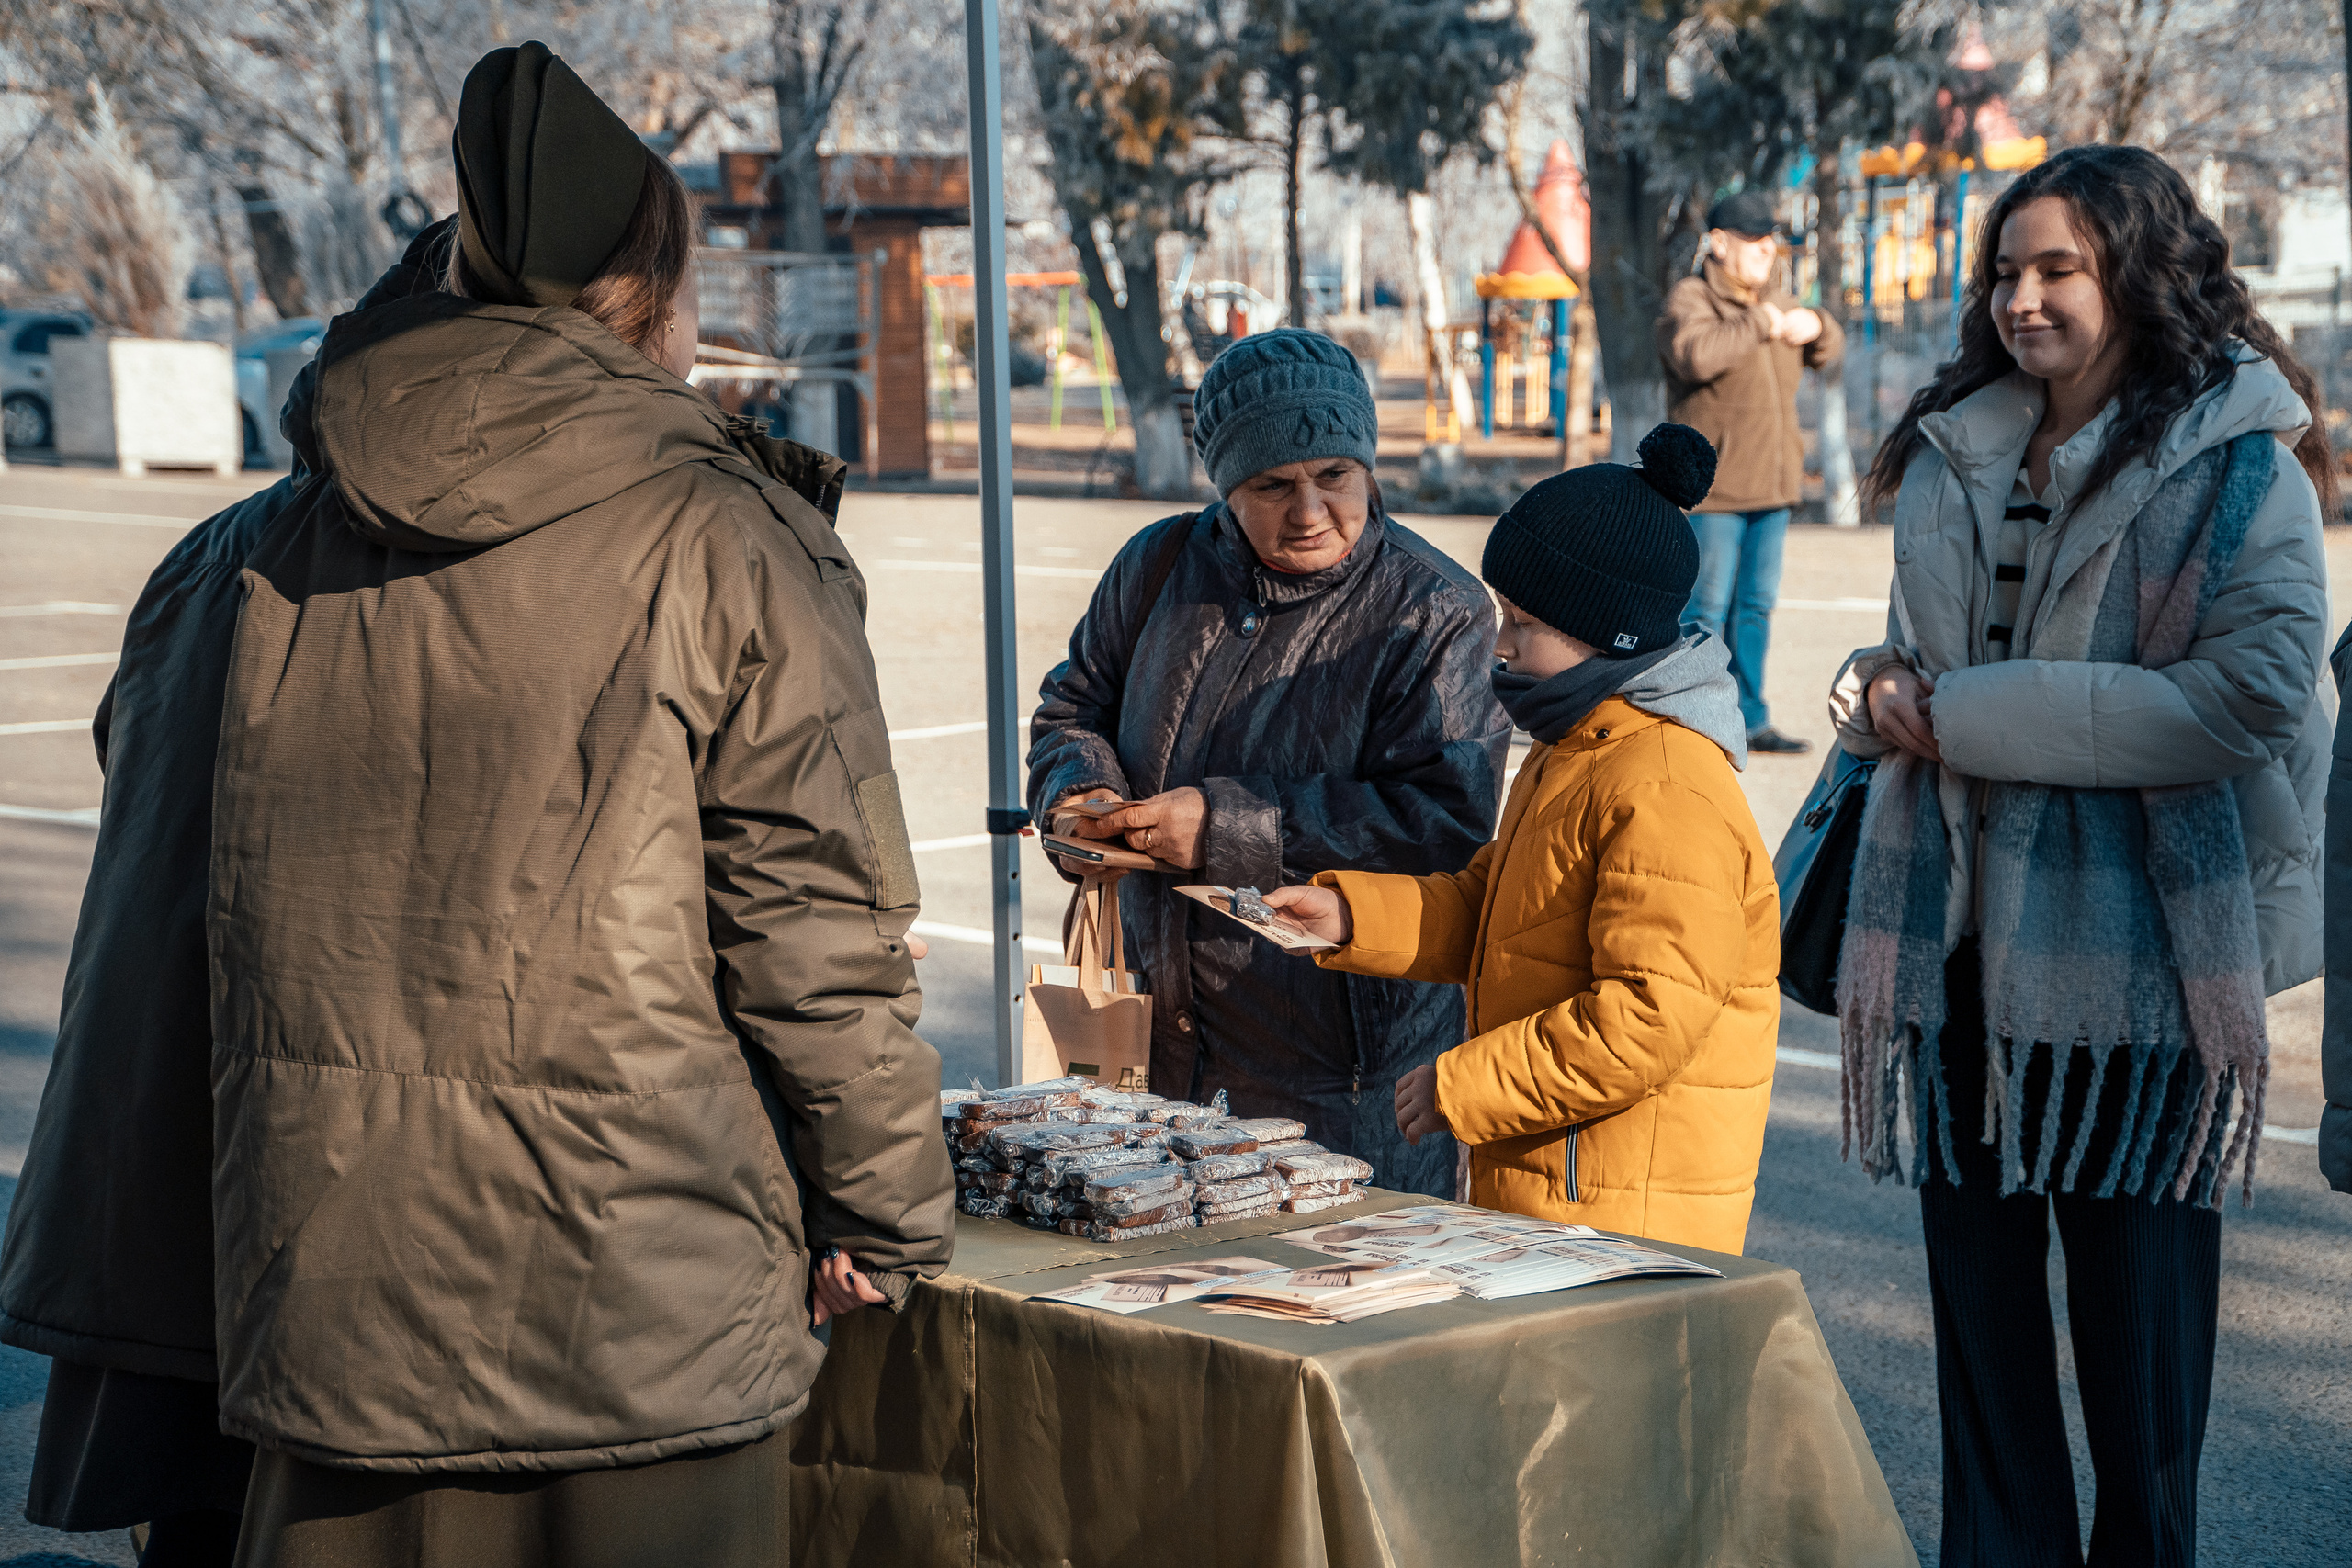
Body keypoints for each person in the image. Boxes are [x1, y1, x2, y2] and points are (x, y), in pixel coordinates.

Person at [20, 43, 951, 1567]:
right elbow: (816, 938)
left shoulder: (226, 560)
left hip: (269, 1304)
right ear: (653, 295)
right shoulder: (732, 539)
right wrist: (889, 1208)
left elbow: (165, 927)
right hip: (621, 1301)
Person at [1834, 144, 2334, 1567]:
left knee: (2141, 1369)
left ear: (2139, 270)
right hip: (1956, 949)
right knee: (1983, 1370)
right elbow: (1925, 658)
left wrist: (1969, 720)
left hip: (2141, 971)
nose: (2022, 299)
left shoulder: (2244, 457)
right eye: (2005, 271)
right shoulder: (1962, 445)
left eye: (2058, 267)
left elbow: (2251, 694)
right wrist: (1874, 693)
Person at [0, 221, 465, 1568]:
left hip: (170, 1138)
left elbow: (122, 757)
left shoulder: (217, 549)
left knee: (197, 1519)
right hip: (319, 1173)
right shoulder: (411, 571)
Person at [1263, 425, 1781, 1256]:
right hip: (1559, 1195)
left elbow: (1647, 1018)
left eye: (1524, 623)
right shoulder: (1579, 746)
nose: (1499, 644)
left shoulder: (1666, 786)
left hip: (1626, 1224)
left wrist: (1463, 1085)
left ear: (1604, 634)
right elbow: (1499, 910)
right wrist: (1351, 915)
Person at [1028, 328, 1510, 1197]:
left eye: (1335, 476)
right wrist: (1080, 797)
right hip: (1157, 1048)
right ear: (1224, 486)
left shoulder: (1434, 610)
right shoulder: (1159, 563)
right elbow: (1072, 707)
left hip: (1347, 1079)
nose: (1310, 510)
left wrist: (1224, 828)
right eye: (1272, 485)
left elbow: (1444, 825)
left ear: (1369, 465)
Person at [1657, 189, 1845, 757]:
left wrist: (1815, 323)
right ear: (1717, 243)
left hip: (1772, 486)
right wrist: (1759, 322)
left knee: (1755, 608)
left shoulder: (1779, 300)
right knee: (1704, 610)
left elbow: (1830, 350)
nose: (1767, 251)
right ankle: (1692, 716)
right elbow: (1692, 354)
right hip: (1712, 490)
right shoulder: (1690, 299)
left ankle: (1751, 718)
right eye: (1754, 241)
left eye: (1772, 242)